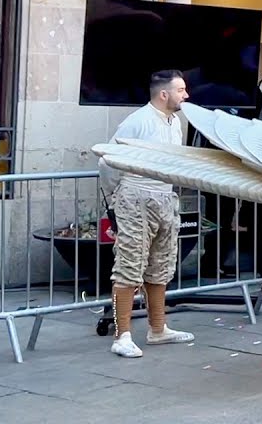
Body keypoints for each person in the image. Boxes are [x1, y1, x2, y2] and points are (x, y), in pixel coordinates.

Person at [101, 70, 195, 358]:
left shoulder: (175, 122)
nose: (186, 95)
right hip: (136, 195)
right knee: (130, 264)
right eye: (180, 90)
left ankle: (158, 328)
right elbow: (109, 161)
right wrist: (122, 196)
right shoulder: (138, 121)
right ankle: (122, 335)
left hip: (164, 197)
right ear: (163, 94)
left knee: (161, 264)